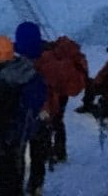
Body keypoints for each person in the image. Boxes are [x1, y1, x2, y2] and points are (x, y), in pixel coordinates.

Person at [0, 24, 48, 196]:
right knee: (29, 163)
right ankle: (35, 186)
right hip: (32, 125)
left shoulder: (0, 83)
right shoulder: (28, 69)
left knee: (8, 179)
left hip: (10, 138)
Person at [33, 36, 89, 164]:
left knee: (49, 121)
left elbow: (47, 82)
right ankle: (60, 152)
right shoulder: (60, 54)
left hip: (55, 92)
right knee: (58, 121)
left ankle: (50, 151)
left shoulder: (46, 59)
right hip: (64, 91)